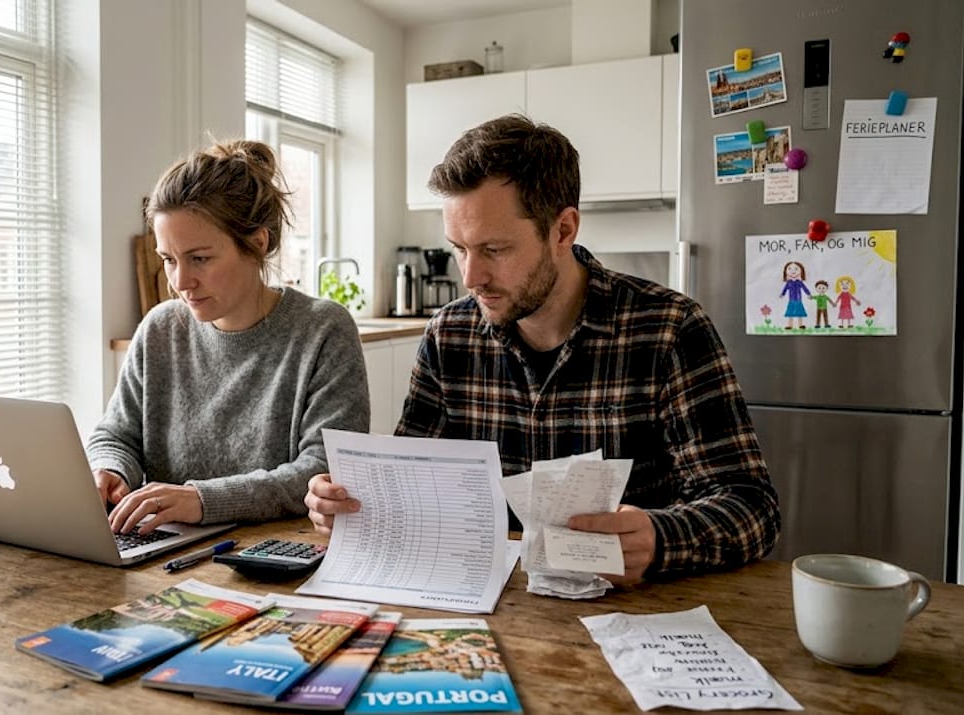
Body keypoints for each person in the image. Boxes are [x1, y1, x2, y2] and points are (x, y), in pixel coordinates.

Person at [304, 114, 780, 585]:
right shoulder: (448, 336)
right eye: (459, 249)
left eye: (494, 250)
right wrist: (348, 501)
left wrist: (658, 538)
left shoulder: (669, 330)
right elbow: (412, 482)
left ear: (563, 230)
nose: (470, 277)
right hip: (490, 605)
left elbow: (751, 506)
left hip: (628, 607)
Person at [88, 138, 370, 535]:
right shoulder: (159, 329)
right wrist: (110, 469)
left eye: (199, 258)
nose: (180, 281)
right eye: (168, 260)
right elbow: (116, 435)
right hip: (166, 551)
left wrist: (203, 500)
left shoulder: (323, 330)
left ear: (257, 243)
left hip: (276, 553)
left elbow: (323, 469)